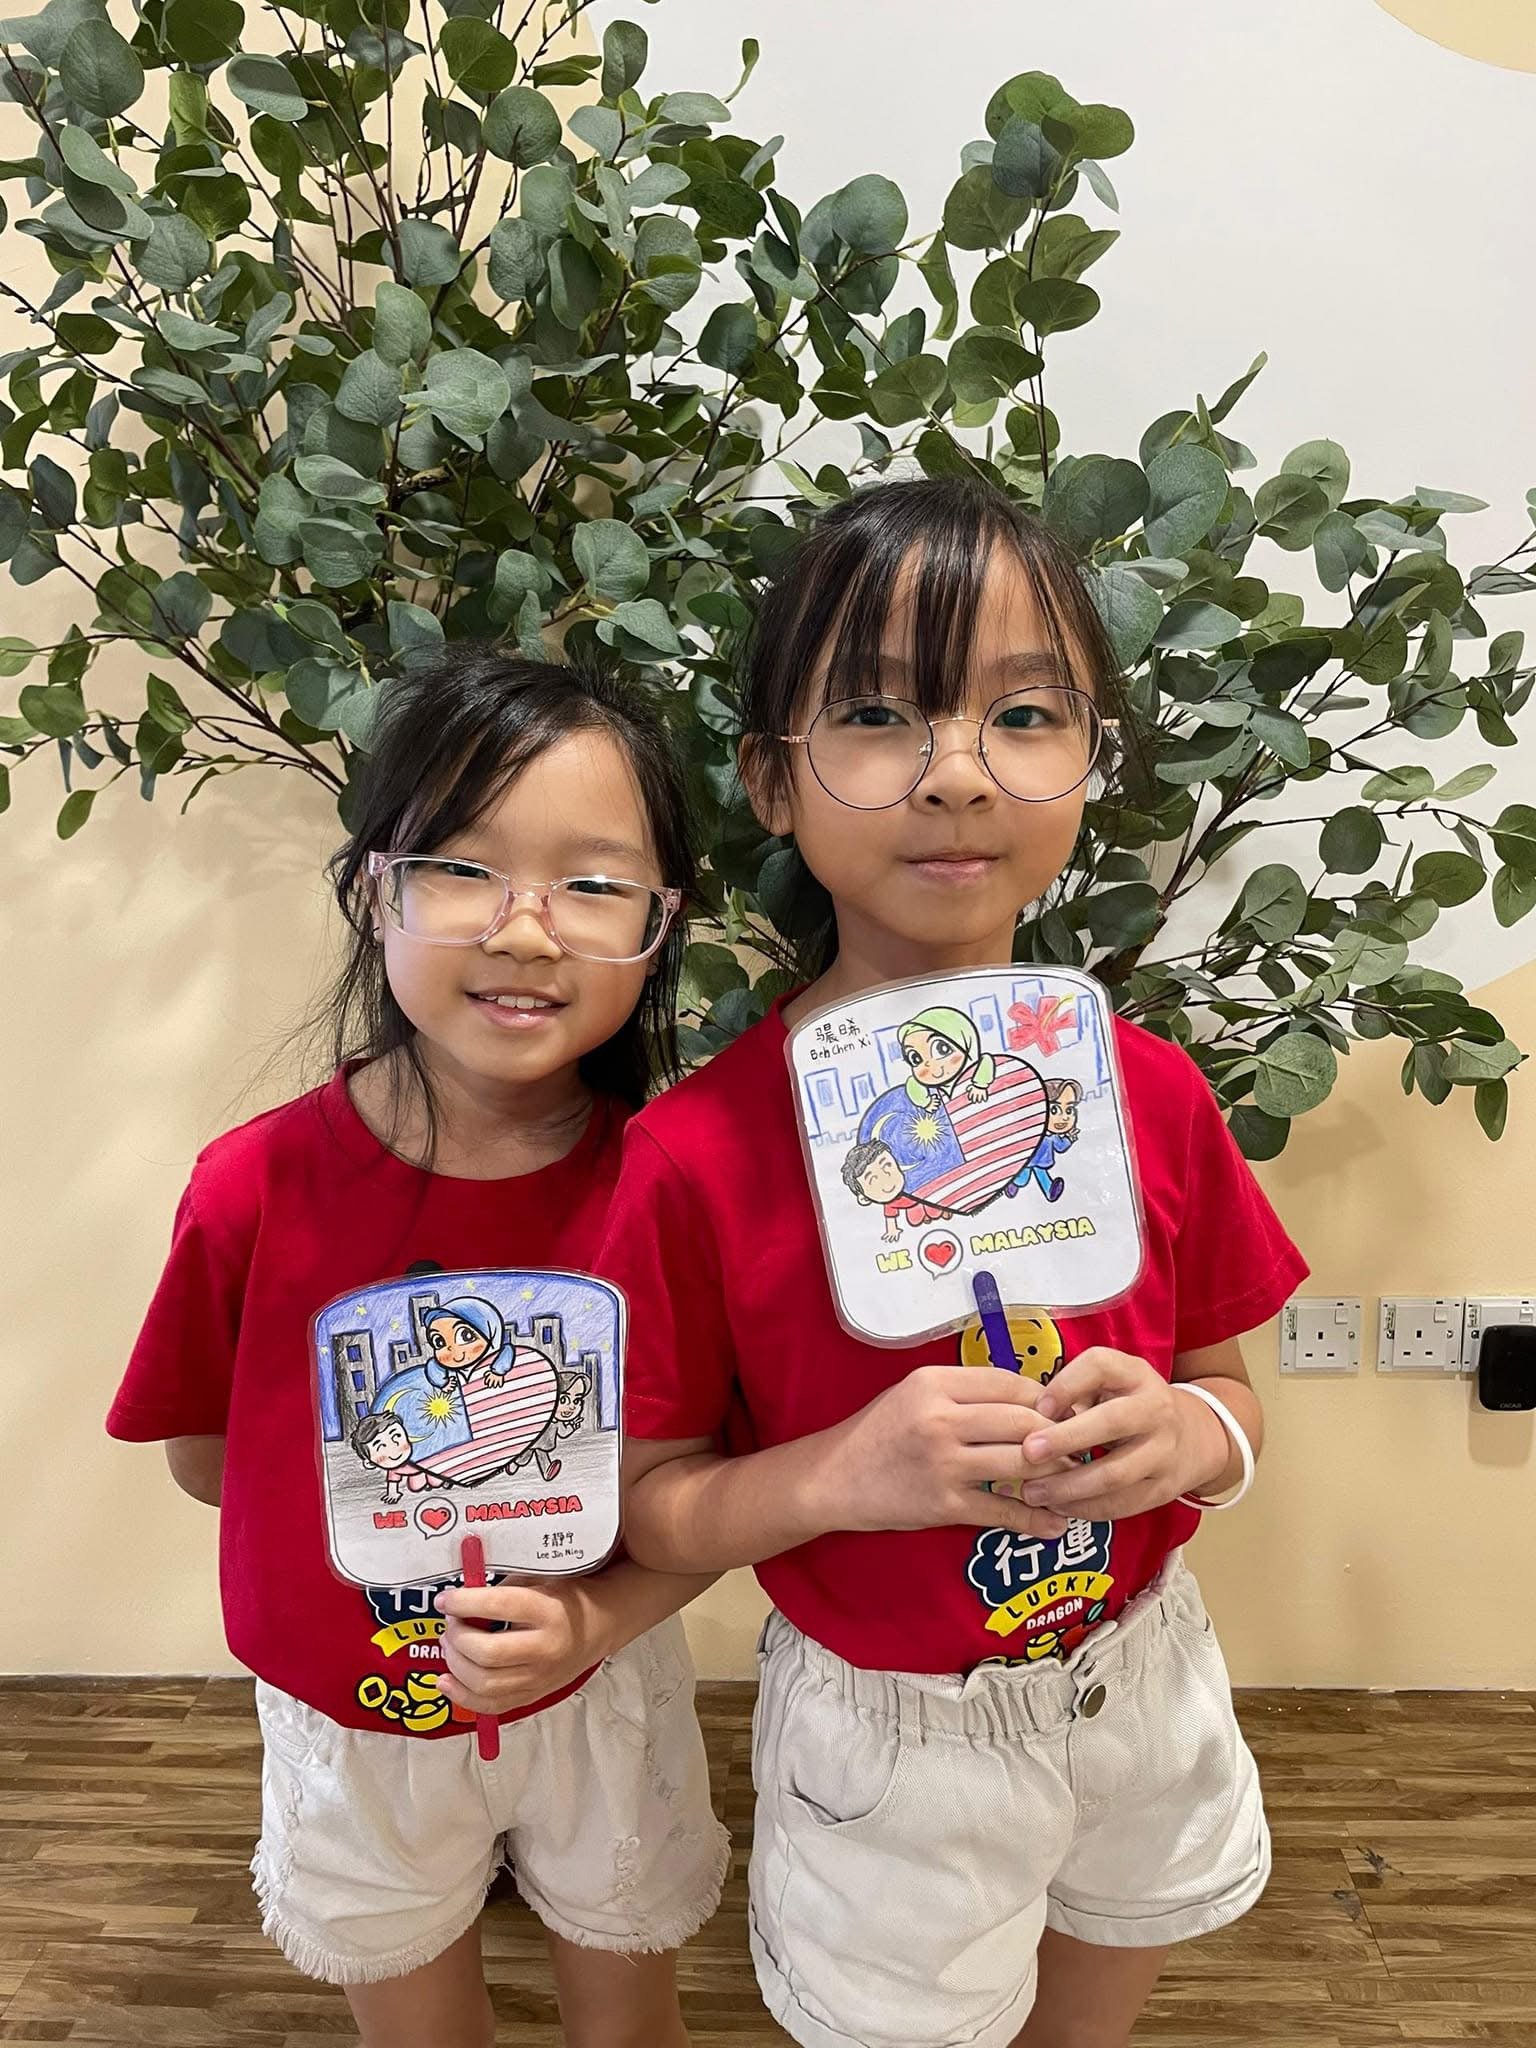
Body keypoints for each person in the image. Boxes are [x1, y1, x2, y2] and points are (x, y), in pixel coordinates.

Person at [605, 477, 1308, 2048]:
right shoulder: (694, 1157)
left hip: (1142, 1673)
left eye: (1027, 714)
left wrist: (1191, 1440)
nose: (959, 774)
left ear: (1090, 762)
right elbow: (654, 1505)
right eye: (876, 715)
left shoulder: (1151, 1094)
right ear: (770, 779)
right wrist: (839, 1474)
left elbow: (1231, 1394)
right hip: (888, 1742)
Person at [107, 650, 728, 2048]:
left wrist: (593, 1621)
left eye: (593, 883)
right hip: (349, 1710)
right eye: (463, 868)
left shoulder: (672, 1190)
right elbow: (211, 1461)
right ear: (373, 889)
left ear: (660, 925)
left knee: (629, 2009)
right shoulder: (251, 1189)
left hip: (597, 1689)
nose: (527, 930)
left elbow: (697, 1486)